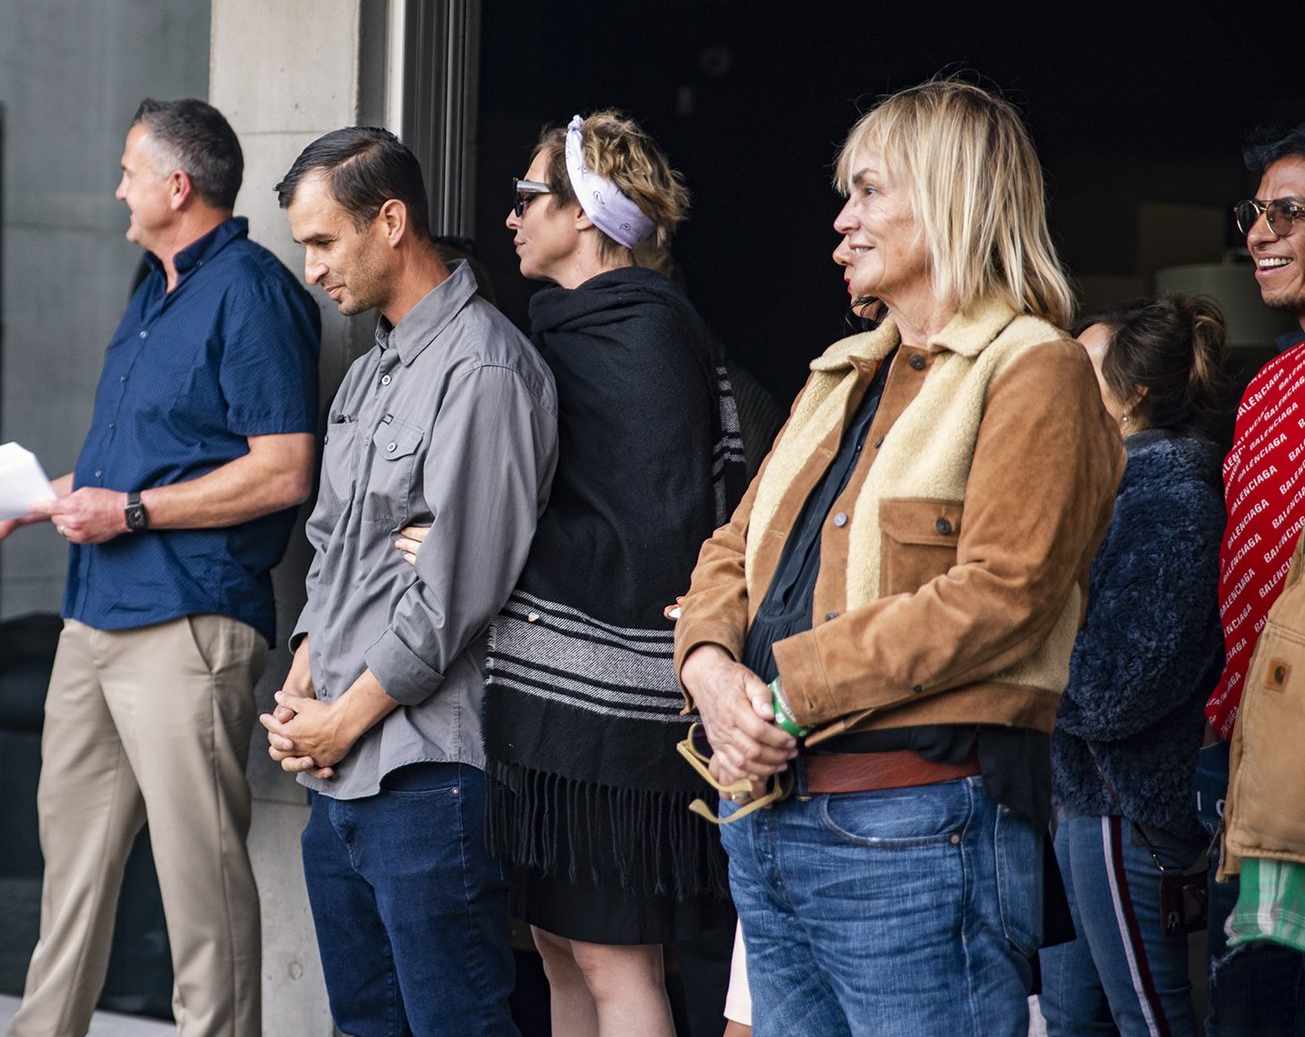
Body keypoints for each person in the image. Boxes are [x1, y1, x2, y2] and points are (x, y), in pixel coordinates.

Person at [672, 78, 1124, 1037]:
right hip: (768, 815)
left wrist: (782, 695)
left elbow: (1004, 593)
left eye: (869, 191)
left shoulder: (1033, 366)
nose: (842, 222)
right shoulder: (839, 374)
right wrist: (711, 674)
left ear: (951, 194)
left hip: (918, 824)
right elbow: (731, 547)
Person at [0, 98, 320, 1037]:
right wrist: (24, 507)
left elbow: (283, 470)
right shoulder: (149, 290)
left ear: (176, 186)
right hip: (94, 617)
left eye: (127, 170)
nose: (117, 186)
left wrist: (135, 510)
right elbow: (126, 470)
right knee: (67, 881)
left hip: (188, 625)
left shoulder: (255, 291)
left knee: (202, 892)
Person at [411, 110, 741, 1037]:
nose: (509, 215)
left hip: (617, 721)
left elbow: (658, 531)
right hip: (557, 720)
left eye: (528, 196)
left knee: (613, 961)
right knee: (557, 948)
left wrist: (474, 542)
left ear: (587, 214)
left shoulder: (647, 335)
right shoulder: (569, 324)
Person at [261, 127, 558, 1037]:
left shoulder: (485, 367)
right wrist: (305, 679)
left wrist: (342, 718)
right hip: (339, 772)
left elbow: (454, 591)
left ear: (390, 220)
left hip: (425, 775)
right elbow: (330, 548)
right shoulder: (368, 369)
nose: (312, 269)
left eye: (322, 241)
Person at [1038, 296, 1231, 1037]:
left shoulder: (1172, 497)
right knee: (1069, 1017)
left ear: (1135, 391)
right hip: (1084, 798)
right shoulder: (1111, 486)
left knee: (1149, 1016)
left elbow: (1119, 688)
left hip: (1127, 807)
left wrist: (1024, 674)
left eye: (1084, 366)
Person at [1202, 112, 1305, 1035]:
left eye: (1287, 212)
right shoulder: (1268, 381)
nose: (1259, 235)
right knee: (1249, 1009)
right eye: (1252, 213)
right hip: (1242, 755)